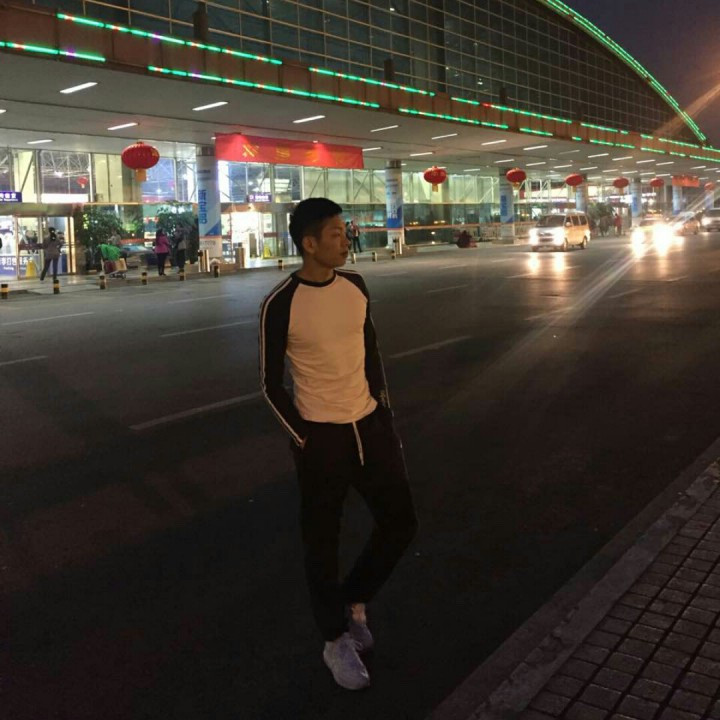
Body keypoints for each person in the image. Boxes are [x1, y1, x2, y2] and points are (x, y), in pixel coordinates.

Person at [259, 198, 417, 691]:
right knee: (322, 544)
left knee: (401, 523)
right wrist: (304, 437)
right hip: (321, 438)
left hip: (369, 427)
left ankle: (352, 599)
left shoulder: (356, 286)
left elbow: (371, 355)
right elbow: (269, 384)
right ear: (309, 243)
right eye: (335, 234)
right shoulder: (281, 303)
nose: (346, 240)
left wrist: (384, 417)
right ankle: (333, 639)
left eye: (344, 232)